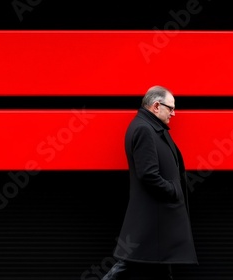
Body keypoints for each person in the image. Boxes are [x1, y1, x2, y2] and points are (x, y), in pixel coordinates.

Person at [102, 85, 198, 280]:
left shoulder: (151, 127)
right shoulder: (145, 130)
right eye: (170, 108)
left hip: (157, 220)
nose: (174, 113)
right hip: (153, 219)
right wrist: (173, 190)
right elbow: (148, 175)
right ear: (156, 106)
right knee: (128, 265)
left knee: (159, 269)